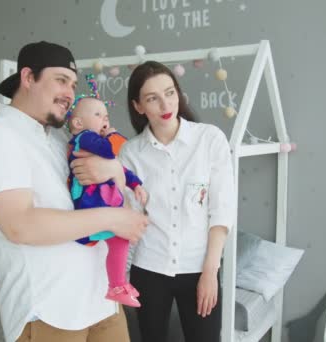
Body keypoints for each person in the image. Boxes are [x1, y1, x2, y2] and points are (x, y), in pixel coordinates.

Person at [0, 41, 147, 342]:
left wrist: (113, 171)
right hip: (49, 311)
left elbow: (100, 190)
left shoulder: (61, 140)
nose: (70, 93)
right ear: (28, 77)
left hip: (101, 301)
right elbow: (20, 225)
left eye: (72, 84)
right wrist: (112, 218)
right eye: (60, 80)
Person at [120, 61, 237, 342]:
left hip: (200, 267)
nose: (165, 104)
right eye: (152, 98)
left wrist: (210, 272)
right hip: (149, 268)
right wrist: (120, 277)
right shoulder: (130, 153)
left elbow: (221, 210)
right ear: (138, 106)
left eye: (170, 93)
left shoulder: (209, 139)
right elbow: (130, 221)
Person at [65, 74, 147, 307]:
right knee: (121, 239)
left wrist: (136, 183)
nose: (105, 120)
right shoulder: (84, 138)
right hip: (91, 205)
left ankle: (117, 284)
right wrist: (111, 136)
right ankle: (117, 285)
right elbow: (111, 153)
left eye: (106, 115)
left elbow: (118, 167)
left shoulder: (95, 141)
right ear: (78, 123)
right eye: (98, 115)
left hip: (103, 204)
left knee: (121, 242)